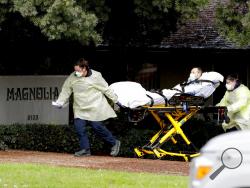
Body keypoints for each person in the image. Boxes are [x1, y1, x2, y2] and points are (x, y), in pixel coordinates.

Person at [52, 58, 121, 157]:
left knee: (98, 127)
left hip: (95, 108)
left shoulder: (96, 76)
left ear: (85, 68)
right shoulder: (73, 76)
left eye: (78, 71)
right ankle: (85, 150)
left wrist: (116, 100)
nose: (76, 73)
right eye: (75, 70)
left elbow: (106, 89)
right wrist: (60, 102)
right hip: (80, 109)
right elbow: (66, 90)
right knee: (80, 128)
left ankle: (114, 143)